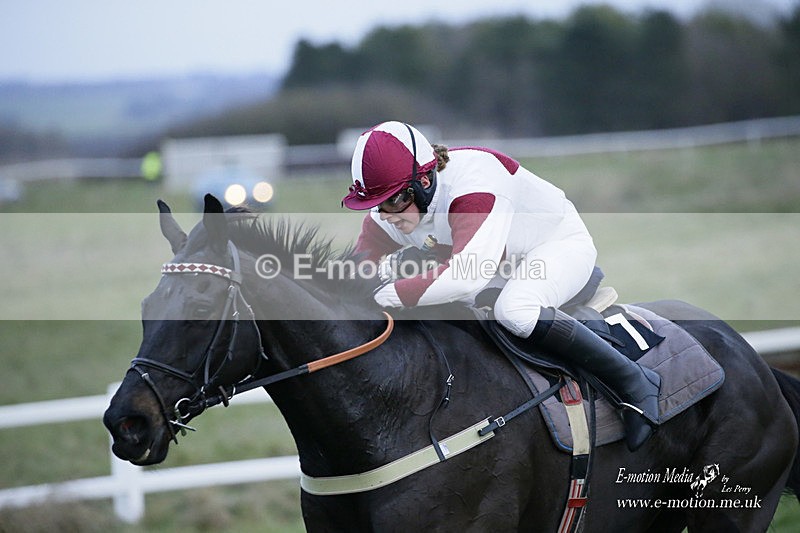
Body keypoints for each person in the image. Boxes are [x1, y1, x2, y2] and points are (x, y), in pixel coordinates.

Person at [342, 120, 660, 451]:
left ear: (423, 182)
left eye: (392, 201)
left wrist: (388, 293)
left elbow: (466, 277)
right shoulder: (396, 205)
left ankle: (635, 383)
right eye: (375, 205)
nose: (384, 214)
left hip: (554, 246)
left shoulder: (474, 185)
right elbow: (356, 272)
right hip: (495, 263)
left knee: (515, 310)